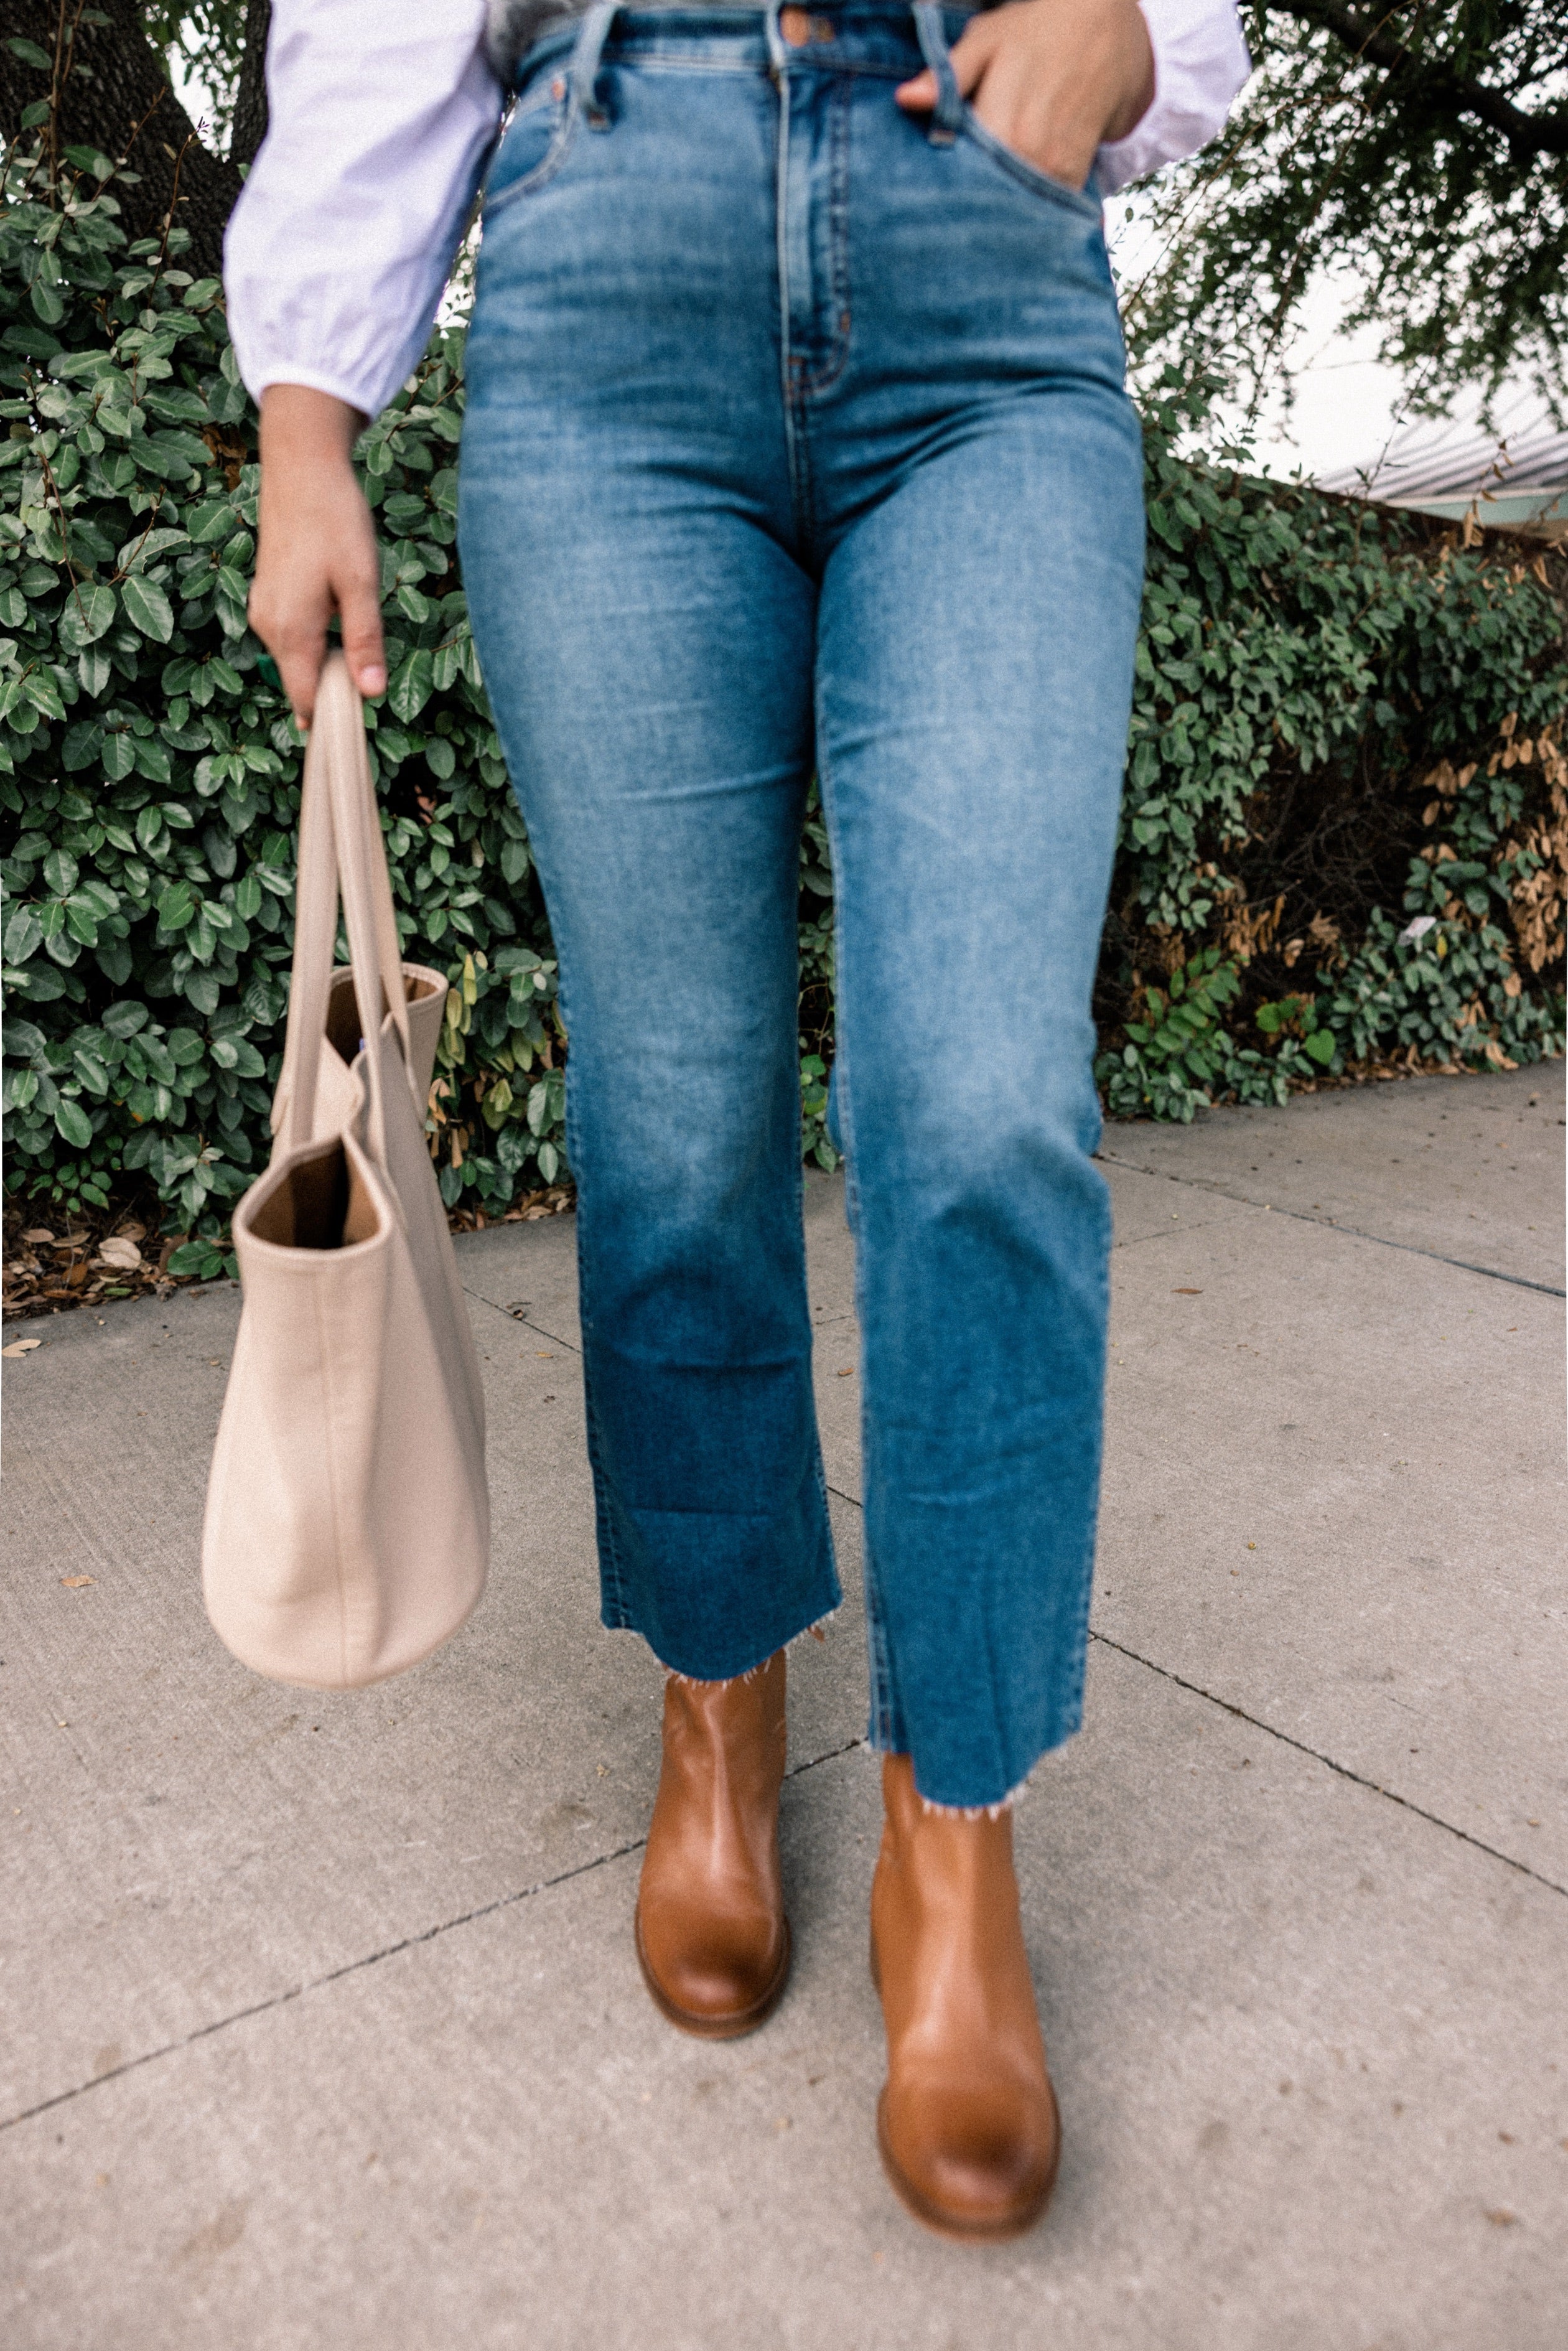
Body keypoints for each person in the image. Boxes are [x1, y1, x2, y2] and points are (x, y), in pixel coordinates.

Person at [230, 0, 1247, 2240]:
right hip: (610, 251)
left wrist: (1143, 28)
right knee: (678, 1117)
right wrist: (310, 416)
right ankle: (719, 1690)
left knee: (985, 1110)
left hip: (979, 261)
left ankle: (952, 1817)